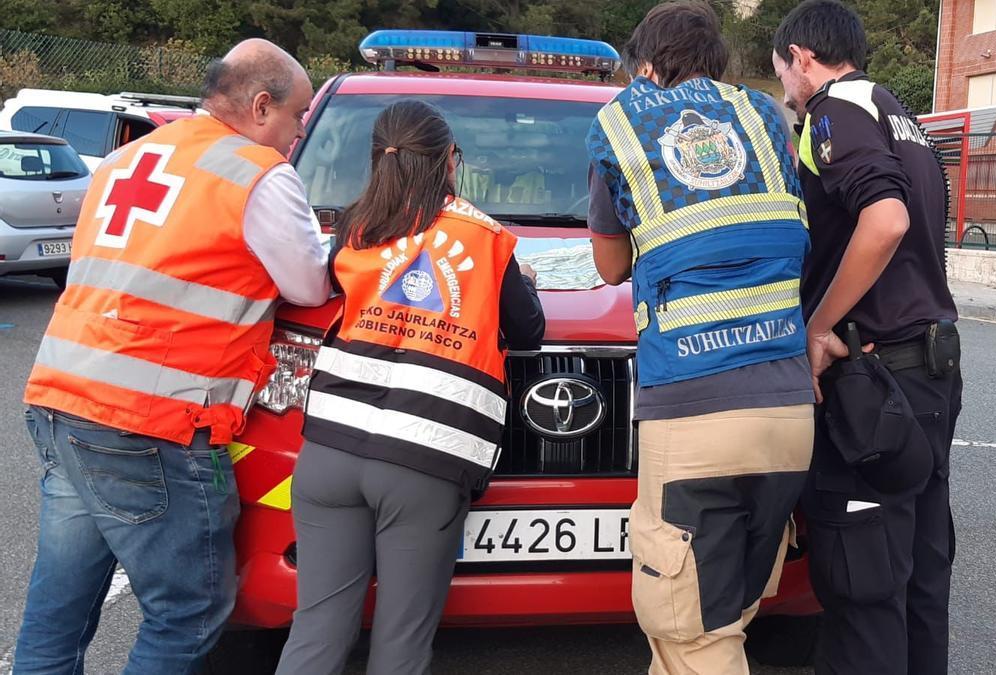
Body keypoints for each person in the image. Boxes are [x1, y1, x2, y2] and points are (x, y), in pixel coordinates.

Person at [15, 39, 329, 674]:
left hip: (63, 395)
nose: (298, 135)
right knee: (188, 609)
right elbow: (309, 286)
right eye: (298, 119)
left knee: (60, 605)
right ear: (262, 106)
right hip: (152, 420)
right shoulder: (258, 175)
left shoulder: (127, 158)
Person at [274, 100, 545, 675]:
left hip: (328, 453)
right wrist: (523, 284)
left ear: (378, 160)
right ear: (450, 161)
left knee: (317, 630)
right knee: (400, 644)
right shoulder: (486, 238)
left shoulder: (354, 228)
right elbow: (527, 332)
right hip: (423, 460)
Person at [586, 2, 815, 673]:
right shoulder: (767, 118)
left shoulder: (626, 128)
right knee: (717, 619)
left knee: (694, 633)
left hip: (692, 414)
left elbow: (608, 265)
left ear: (646, 65)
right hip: (785, 408)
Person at [772, 2, 964, 673]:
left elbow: (883, 222)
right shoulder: (900, 116)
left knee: (864, 582)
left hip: (874, 380)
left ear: (800, 56)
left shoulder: (832, 114)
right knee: (920, 572)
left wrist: (818, 323)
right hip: (933, 367)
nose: (784, 90)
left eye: (781, 71)